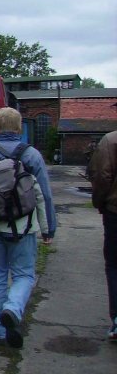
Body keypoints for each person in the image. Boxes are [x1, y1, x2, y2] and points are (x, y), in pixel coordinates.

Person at [0, 107, 56, 348]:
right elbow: (43, 195)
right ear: (18, 129)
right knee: (24, 275)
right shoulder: (32, 156)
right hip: (23, 227)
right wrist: (49, 229)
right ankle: (13, 309)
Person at [86, 130, 117, 341]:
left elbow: (102, 175)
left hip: (115, 212)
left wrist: (99, 202)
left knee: (114, 264)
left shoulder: (111, 140)